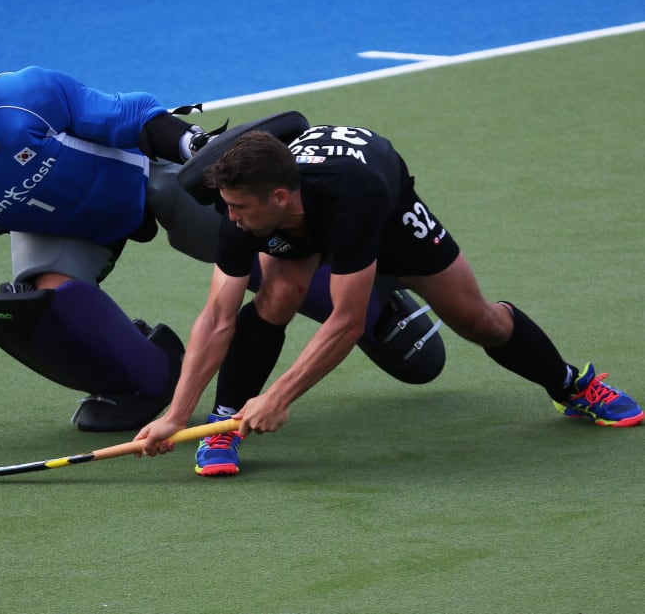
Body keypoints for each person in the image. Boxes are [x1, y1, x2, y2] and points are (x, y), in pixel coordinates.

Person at [0, 35, 441, 434]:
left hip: (142, 184)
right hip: (69, 231)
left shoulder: (27, 95)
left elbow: (123, 113)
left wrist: (191, 141)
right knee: (42, 298)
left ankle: (367, 303)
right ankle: (149, 380)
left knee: (232, 241)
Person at [135, 125, 642, 476]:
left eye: (240, 207)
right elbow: (217, 319)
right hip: (300, 220)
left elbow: (346, 323)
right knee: (277, 295)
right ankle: (222, 426)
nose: (232, 217)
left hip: (387, 207)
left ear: (280, 198)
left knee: (478, 320)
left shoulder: (355, 201)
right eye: (228, 206)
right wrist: (177, 415)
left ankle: (570, 385)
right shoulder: (243, 214)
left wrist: (278, 397)